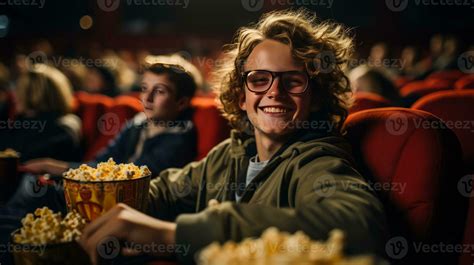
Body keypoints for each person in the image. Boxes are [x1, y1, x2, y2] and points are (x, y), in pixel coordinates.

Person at [79, 9, 387, 265]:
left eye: (293, 81)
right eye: (259, 80)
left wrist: (173, 236)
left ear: (316, 97)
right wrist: (97, 202)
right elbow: (164, 192)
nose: (274, 93)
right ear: (241, 96)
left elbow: (360, 226)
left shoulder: (318, 159)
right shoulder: (230, 154)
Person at [22, 61, 198, 179]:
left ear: (181, 102)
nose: (147, 98)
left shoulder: (181, 135)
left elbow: (130, 175)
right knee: (33, 182)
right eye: (145, 89)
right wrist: (51, 166)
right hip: (108, 191)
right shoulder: (136, 124)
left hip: (137, 205)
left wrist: (56, 168)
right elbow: (101, 164)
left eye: (159, 91)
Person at [0, 64, 82, 162]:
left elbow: (23, 157)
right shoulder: (24, 119)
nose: (15, 95)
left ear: (36, 95)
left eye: (21, 90)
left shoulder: (62, 128)